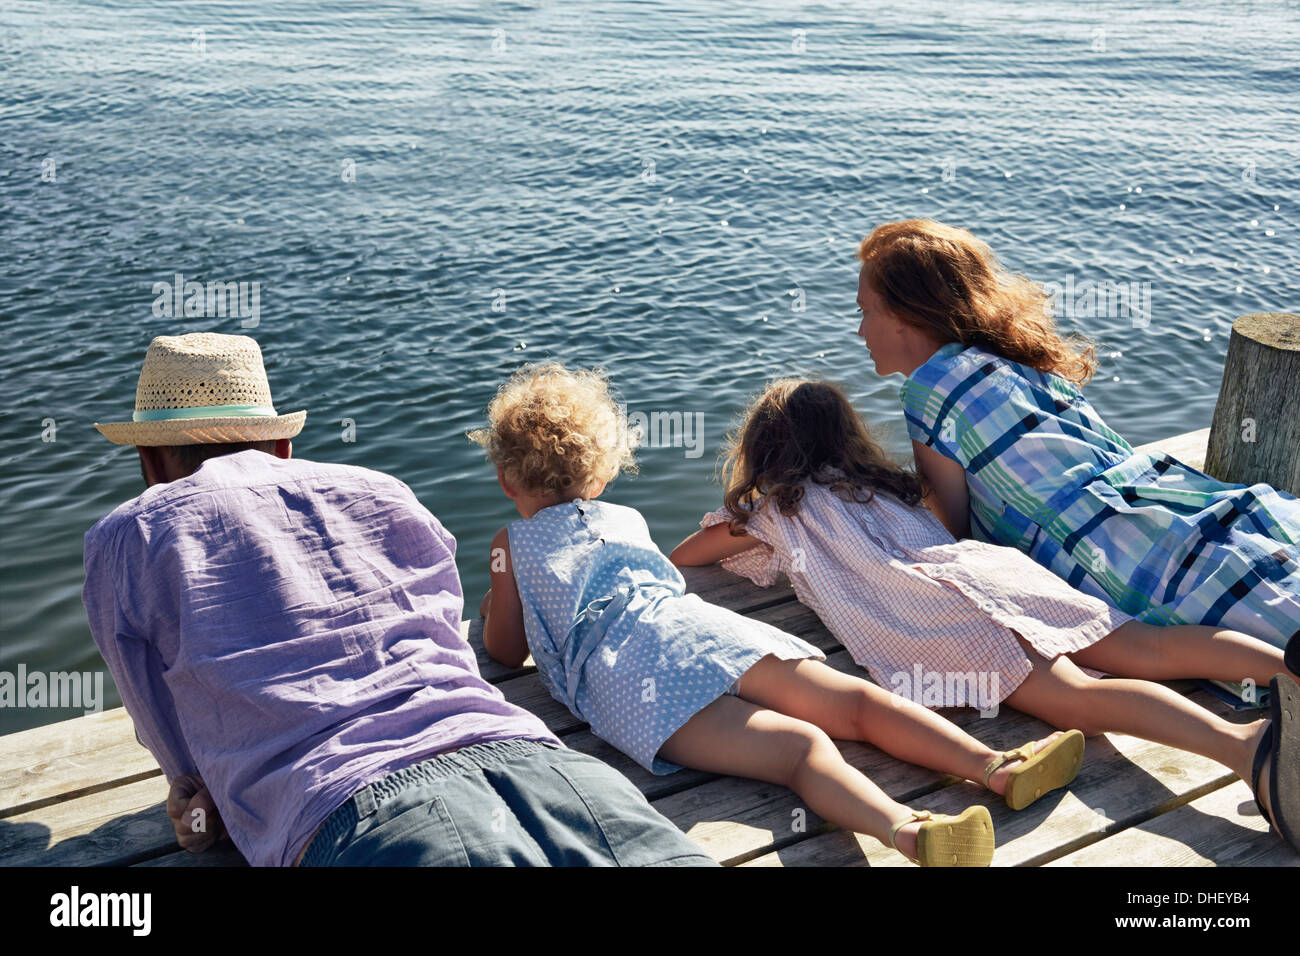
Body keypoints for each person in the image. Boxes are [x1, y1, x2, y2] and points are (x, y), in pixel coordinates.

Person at [83, 331, 716, 867]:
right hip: (549, 766)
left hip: (362, 818)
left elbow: (178, 757)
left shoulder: (128, 536)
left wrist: (196, 802)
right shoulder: (383, 491)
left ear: (149, 460)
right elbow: (443, 637)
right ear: (282, 445)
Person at [470, 363, 1088, 867]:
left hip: (632, 677)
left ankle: (906, 830)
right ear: (602, 473)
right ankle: (997, 766)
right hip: (698, 631)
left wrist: (500, 597)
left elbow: (502, 650)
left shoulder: (508, 545)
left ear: (504, 478)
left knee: (799, 751)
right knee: (859, 704)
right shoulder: (626, 520)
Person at [670, 377, 1300, 853]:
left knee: (1077, 700)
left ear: (763, 451)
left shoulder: (773, 511)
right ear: (843, 436)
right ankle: (1288, 674)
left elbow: (687, 555)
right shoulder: (882, 481)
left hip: (934, 617)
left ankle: (1246, 749)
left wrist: (748, 509)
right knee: (1150, 648)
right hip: (992, 573)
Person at [852, 218, 1300, 650]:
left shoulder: (928, 390)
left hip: (1095, 545)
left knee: (1230, 614)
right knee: (1256, 577)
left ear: (902, 315)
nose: (859, 331)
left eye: (865, 312)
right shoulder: (1016, 360)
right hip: (1155, 494)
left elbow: (953, 530)